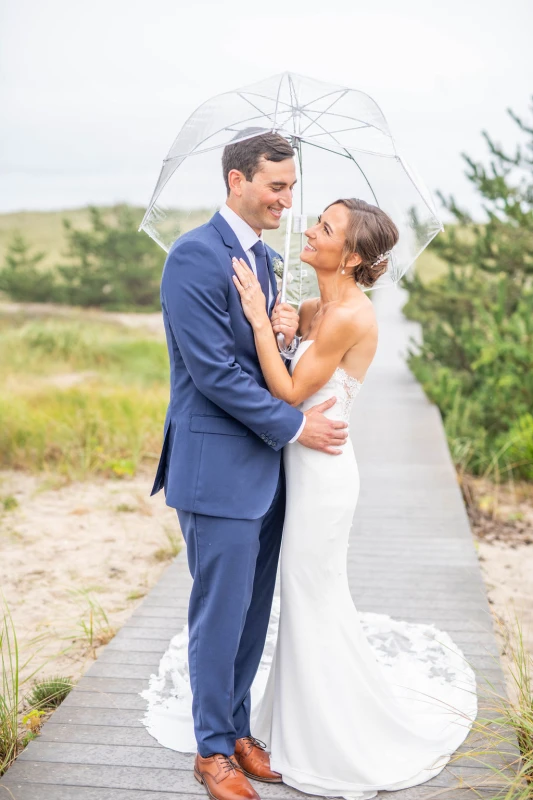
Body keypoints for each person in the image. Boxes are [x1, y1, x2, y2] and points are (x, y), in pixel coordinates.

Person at [229, 197, 477, 799]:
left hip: (325, 476)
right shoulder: (320, 306)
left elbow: (287, 392)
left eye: (326, 228)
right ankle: (294, 723)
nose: (311, 230)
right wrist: (288, 326)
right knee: (304, 595)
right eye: (316, 220)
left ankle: (333, 737)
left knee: (311, 595)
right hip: (302, 467)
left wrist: (262, 323)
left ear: (354, 254)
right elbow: (298, 352)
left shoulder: (350, 316)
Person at [149, 132, 349, 800]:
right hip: (216, 468)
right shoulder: (194, 256)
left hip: (264, 470)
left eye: (292, 188)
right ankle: (210, 753)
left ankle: (235, 727)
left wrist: (282, 336)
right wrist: (294, 423)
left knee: (251, 610)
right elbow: (211, 373)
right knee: (219, 612)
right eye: (276, 187)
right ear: (236, 181)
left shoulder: (261, 260)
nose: (287, 201)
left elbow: (255, 360)